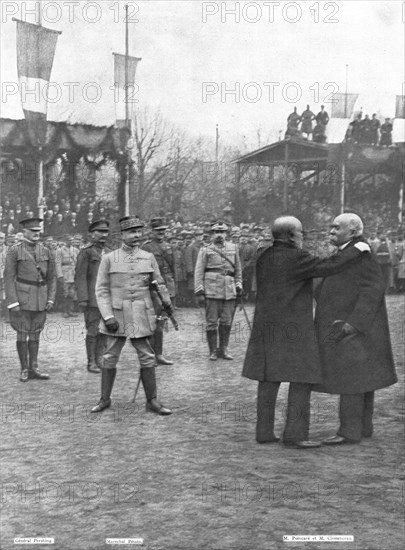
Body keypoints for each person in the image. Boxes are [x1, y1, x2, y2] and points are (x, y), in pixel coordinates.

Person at [242, 216, 371, 448]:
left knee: (268, 379)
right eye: (301, 233)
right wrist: (357, 250)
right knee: (302, 379)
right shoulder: (296, 257)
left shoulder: (264, 256)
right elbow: (331, 266)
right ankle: (296, 435)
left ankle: (264, 432)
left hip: (266, 327)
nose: (303, 237)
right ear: (291, 236)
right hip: (293, 330)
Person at [314, 213, 397, 444]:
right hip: (348, 325)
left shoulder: (360, 254)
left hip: (352, 327)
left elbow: (373, 289)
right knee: (361, 378)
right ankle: (363, 427)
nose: (330, 232)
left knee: (353, 378)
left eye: (336, 228)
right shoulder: (349, 253)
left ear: (352, 232)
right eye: (330, 227)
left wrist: (353, 324)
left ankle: (349, 431)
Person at [91, 216, 172, 415]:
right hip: (117, 316)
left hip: (141, 314)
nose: (136, 235)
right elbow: (101, 290)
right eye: (131, 232)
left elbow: (158, 283)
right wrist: (108, 316)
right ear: (122, 235)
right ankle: (104, 399)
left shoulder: (148, 257)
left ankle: (152, 401)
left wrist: (166, 300)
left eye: (139, 231)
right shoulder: (109, 258)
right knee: (109, 357)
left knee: (147, 357)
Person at [4, 217, 56, 381]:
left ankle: (34, 367)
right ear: (24, 232)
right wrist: (13, 302)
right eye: (33, 231)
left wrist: (51, 299)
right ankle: (24, 369)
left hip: (40, 299)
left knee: (35, 334)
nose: (36, 233)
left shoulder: (46, 251)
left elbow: (52, 277)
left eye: (38, 230)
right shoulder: (14, 251)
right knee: (22, 334)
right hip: (22, 299)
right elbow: (8, 278)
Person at [194, 221, 243, 361]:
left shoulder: (234, 248)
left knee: (227, 321)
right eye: (216, 232)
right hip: (212, 290)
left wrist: (239, 284)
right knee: (212, 322)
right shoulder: (205, 249)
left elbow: (238, 270)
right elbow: (199, 271)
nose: (219, 235)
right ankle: (213, 351)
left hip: (229, 290)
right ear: (212, 234)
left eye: (222, 232)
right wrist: (200, 291)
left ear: (226, 234)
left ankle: (224, 349)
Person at [75, 219, 111, 374]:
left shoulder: (109, 252)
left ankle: (100, 358)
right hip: (92, 299)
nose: (103, 235)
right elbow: (80, 277)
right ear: (92, 234)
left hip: (107, 299)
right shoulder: (86, 252)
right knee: (93, 330)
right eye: (100, 232)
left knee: (105, 330)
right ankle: (91, 362)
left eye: (105, 232)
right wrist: (83, 298)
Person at [142, 217, 175, 365]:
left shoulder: (169, 246)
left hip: (166, 286)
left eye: (163, 230)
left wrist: (172, 290)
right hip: (152, 287)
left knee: (161, 322)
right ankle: (150, 356)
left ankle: (159, 355)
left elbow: (173, 269)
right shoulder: (146, 247)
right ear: (151, 231)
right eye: (157, 231)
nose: (161, 233)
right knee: (152, 322)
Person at [57, 235, 80, 318]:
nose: (70, 242)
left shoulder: (75, 250)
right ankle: (65, 311)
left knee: (72, 293)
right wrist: (60, 275)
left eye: (71, 240)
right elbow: (58, 263)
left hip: (73, 274)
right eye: (69, 240)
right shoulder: (60, 250)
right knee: (65, 293)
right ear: (65, 241)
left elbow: (78, 262)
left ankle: (70, 310)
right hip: (65, 274)